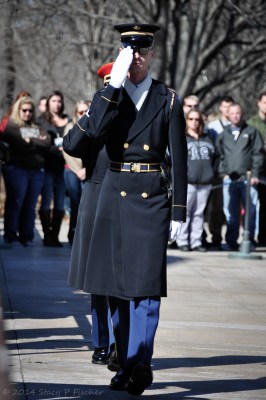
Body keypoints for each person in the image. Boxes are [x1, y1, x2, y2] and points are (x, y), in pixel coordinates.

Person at [72, 23, 187, 395]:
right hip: (113, 195)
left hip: (150, 198)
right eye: (128, 51)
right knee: (116, 291)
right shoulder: (109, 95)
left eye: (141, 51)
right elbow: (78, 142)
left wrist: (179, 211)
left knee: (146, 291)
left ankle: (141, 362)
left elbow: (180, 159)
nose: (135, 57)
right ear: (121, 54)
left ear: (151, 54)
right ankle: (125, 361)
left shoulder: (167, 99)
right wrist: (111, 89)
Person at [64, 63, 116, 367]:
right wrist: (93, 112)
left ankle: (119, 343)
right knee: (97, 278)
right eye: (108, 84)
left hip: (124, 196)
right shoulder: (93, 117)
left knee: (121, 279)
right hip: (96, 195)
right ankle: (100, 341)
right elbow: (70, 144)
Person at [1, 96, 50, 246]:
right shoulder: (11, 125)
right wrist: (36, 141)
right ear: (18, 110)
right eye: (24, 110)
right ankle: (11, 236)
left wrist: (31, 140)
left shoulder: (36, 125)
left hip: (36, 171)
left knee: (30, 205)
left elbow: (47, 142)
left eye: (30, 110)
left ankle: (26, 236)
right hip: (17, 170)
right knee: (15, 203)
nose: (28, 113)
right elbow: (21, 144)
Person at [216, 102, 264, 251]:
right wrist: (223, 173)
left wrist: (255, 173)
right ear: (228, 115)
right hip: (229, 180)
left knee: (251, 211)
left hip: (248, 179)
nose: (235, 115)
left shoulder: (251, 132)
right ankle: (231, 241)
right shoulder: (223, 135)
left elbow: (258, 154)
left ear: (242, 114)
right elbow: (219, 156)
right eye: (232, 113)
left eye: (238, 113)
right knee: (230, 211)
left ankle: (249, 241)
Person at [176, 108, 216, 252]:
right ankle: (182, 241)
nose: (194, 122)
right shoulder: (181, 137)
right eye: (191, 119)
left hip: (205, 182)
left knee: (199, 213)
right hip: (188, 182)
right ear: (186, 121)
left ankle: (196, 241)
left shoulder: (208, 138)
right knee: (184, 212)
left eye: (197, 119)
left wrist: (212, 173)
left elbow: (216, 158)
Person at [37, 90, 69, 247]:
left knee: (60, 203)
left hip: (63, 168)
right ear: (48, 103)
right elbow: (35, 141)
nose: (57, 104)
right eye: (54, 101)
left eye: (59, 101)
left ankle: (55, 237)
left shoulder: (67, 120)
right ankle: (47, 236)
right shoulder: (40, 121)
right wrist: (52, 149)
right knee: (45, 202)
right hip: (46, 166)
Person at [204, 95, 235, 249]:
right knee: (215, 206)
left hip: (233, 170)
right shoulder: (213, 127)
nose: (227, 110)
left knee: (230, 206)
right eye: (225, 107)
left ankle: (231, 237)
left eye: (230, 107)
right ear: (220, 108)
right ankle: (215, 235)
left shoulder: (237, 124)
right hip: (216, 171)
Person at [62, 100, 90, 244]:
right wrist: (78, 170)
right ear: (75, 113)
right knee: (74, 203)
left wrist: (87, 169)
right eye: (81, 112)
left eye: (87, 111)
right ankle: (73, 233)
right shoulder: (71, 127)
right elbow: (67, 152)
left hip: (88, 171)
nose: (84, 114)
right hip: (72, 171)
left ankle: (84, 235)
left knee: (87, 205)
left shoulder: (94, 126)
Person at [247, 90, 266, 246]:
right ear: (259, 103)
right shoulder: (252, 123)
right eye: (265, 102)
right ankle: (251, 238)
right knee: (253, 207)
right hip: (256, 171)